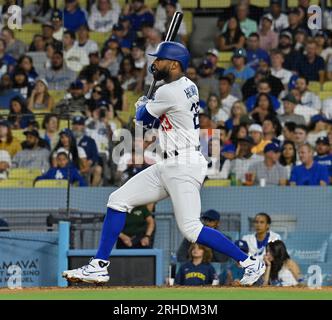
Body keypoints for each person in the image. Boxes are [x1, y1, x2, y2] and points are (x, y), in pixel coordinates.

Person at [63, 41, 265, 285]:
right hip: (169, 163)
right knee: (117, 200)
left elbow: (143, 120)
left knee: (191, 229)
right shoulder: (187, 86)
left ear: (174, 64)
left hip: (183, 164)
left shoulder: (168, 91)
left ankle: (249, 262)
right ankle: (99, 265)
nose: (154, 63)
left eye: (159, 60)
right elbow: (162, 121)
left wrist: (141, 108)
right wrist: (147, 109)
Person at [71, 115, 102, 187]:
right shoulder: (68, 139)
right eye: (75, 124)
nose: (77, 127)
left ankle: (92, 190)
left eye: (79, 124)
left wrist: (89, 162)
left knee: (98, 169)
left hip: (87, 166)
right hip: (72, 166)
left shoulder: (90, 140)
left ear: (83, 126)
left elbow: (95, 156)